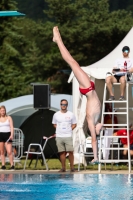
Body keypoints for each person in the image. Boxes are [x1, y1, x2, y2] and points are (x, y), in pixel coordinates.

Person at [53, 26, 103, 164]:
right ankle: (58, 40)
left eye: (99, 130)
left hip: (87, 89)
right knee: (73, 63)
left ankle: (58, 40)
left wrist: (95, 157)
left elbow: (93, 139)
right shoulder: (98, 119)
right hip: (88, 88)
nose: (101, 128)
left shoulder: (91, 121)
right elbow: (102, 127)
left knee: (72, 62)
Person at [52, 99, 77, 172]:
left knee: (71, 151)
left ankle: (72, 167)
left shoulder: (71, 114)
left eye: (65, 104)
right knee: (62, 152)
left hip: (68, 135)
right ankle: (63, 167)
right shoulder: (56, 114)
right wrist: (59, 129)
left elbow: (74, 124)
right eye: (62, 104)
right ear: (60, 105)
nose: (64, 106)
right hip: (59, 136)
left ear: (67, 105)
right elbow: (54, 124)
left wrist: (70, 129)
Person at [0, 105, 14, 170]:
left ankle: (12, 165)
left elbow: (11, 127)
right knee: (2, 151)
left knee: (9, 151)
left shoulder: (9, 117)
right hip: (1, 135)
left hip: (7, 135)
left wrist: (11, 135)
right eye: (1, 111)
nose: (3, 112)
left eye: (4, 110)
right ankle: (3, 165)